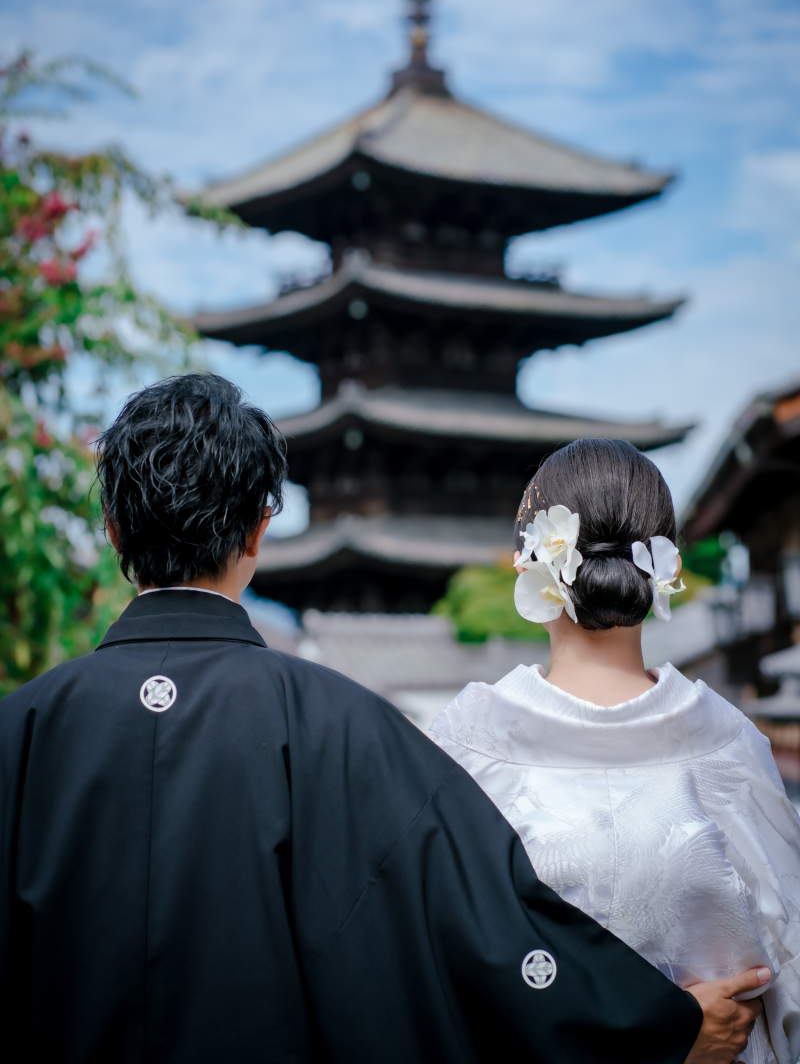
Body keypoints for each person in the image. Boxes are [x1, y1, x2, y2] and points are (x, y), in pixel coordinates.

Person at [0, 378, 765, 1064]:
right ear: (259, 532)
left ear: (112, 529)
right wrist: (660, 1026)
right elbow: (486, 930)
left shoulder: (19, 733)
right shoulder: (348, 728)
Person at [430, 437, 800, 1064]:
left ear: (530, 562)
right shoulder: (727, 743)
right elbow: (788, 967)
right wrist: (669, 1032)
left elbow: (435, 968)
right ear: (663, 564)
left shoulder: (466, 747)